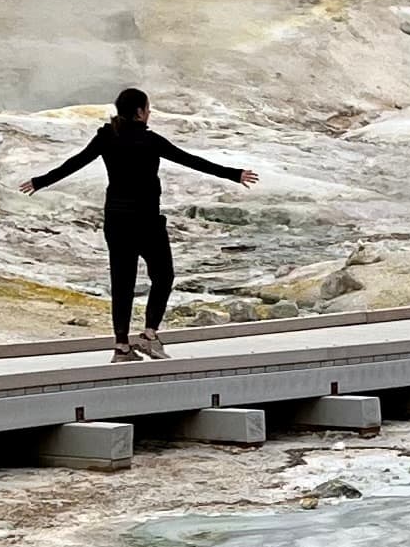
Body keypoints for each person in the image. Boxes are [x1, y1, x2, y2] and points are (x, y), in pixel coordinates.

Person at [25, 88, 255, 357]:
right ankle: (149, 335)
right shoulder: (149, 141)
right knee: (163, 276)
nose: (150, 112)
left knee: (122, 283)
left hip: (116, 221)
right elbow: (190, 161)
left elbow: (75, 163)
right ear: (138, 112)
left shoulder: (107, 137)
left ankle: (121, 347)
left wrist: (40, 182)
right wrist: (234, 174)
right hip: (146, 222)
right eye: (147, 108)